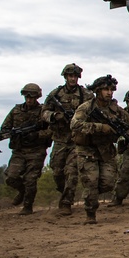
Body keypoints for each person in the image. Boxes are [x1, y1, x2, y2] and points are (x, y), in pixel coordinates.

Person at [70, 74, 129, 225]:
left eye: (111, 89)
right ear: (97, 91)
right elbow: (75, 125)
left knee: (108, 183)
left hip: (106, 151)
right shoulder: (86, 108)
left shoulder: (117, 110)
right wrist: (101, 127)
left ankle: (91, 195)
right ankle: (90, 214)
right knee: (91, 181)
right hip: (87, 150)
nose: (109, 92)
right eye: (105, 89)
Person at [42, 63, 93, 216]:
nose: (73, 79)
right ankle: (64, 191)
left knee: (72, 172)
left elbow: (94, 112)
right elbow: (44, 112)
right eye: (70, 76)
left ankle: (66, 203)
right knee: (57, 171)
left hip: (76, 140)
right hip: (59, 139)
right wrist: (55, 116)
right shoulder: (55, 94)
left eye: (75, 76)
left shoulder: (86, 95)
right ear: (65, 77)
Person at [0, 84, 52, 215]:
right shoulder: (16, 110)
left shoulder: (43, 111)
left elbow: (52, 130)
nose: (29, 99)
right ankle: (22, 191)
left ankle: (28, 206)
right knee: (11, 177)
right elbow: (5, 128)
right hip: (19, 151)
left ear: (37, 97)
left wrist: (37, 135)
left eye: (32, 97)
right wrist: (1, 136)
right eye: (27, 97)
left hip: (36, 150)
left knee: (31, 179)